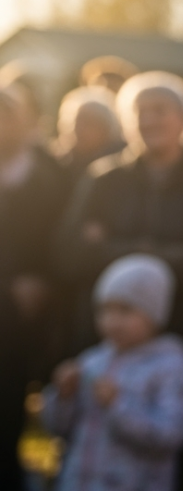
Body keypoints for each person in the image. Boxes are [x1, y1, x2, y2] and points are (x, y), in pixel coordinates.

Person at [55, 71, 183, 490]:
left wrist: (116, 248)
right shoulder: (104, 180)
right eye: (140, 112)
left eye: (161, 110)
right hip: (110, 340)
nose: (150, 120)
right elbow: (69, 252)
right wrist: (171, 249)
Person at [44, 255, 183, 491]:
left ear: (154, 314)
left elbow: (172, 435)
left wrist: (118, 405)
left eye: (125, 310)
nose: (113, 321)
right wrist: (63, 396)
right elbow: (57, 428)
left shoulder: (173, 368)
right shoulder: (91, 361)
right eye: (105, 310)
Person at [0, 85, 72, 487]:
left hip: (21, 317)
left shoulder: (49, 176)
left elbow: (60, 239)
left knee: (9, 406)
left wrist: (41, 281)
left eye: (8, 114)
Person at [53, 86, 126, 181]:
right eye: (75, 122)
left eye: (88, 122)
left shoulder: (120, 167)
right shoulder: (57, 163)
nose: (78, 129)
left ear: (106, 128)